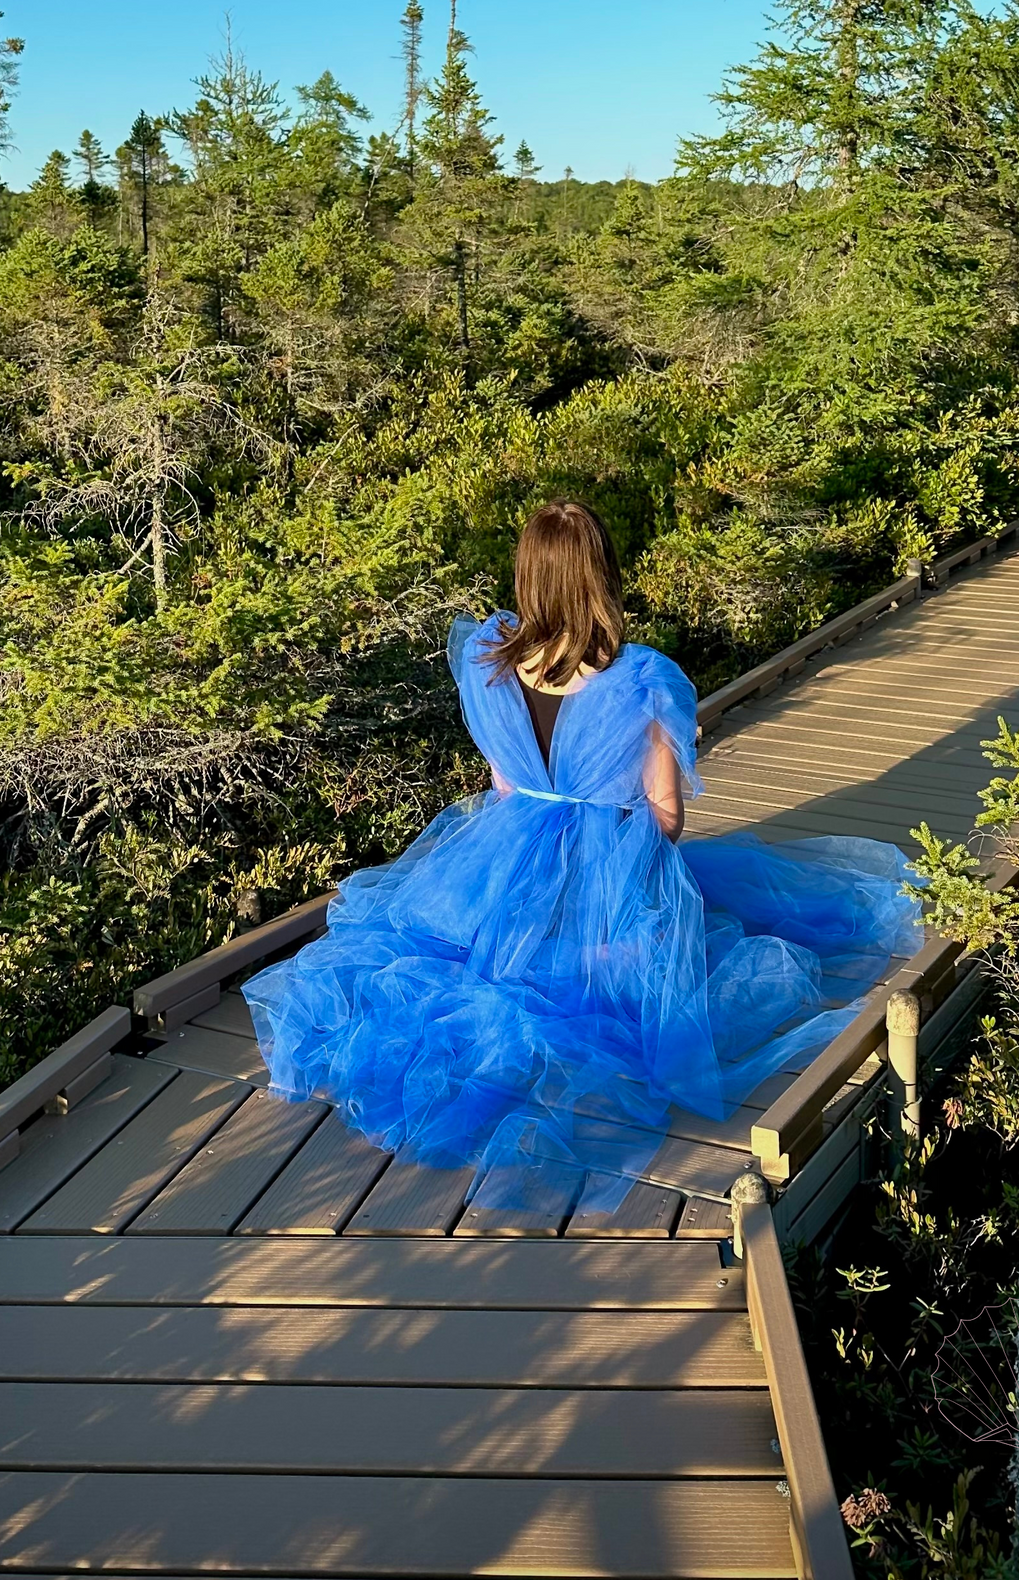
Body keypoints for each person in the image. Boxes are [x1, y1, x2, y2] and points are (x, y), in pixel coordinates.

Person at [243, 497, 921, 1210]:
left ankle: (552, 963)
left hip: (505, 861)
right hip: (604, 870)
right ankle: (598, 962)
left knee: (469, 955)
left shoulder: (490, 661)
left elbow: (503, 785)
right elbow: (665, 819)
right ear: (602, 574)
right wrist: (615, 855)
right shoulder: (637, 680)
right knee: (664, 954)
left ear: (529, 579)